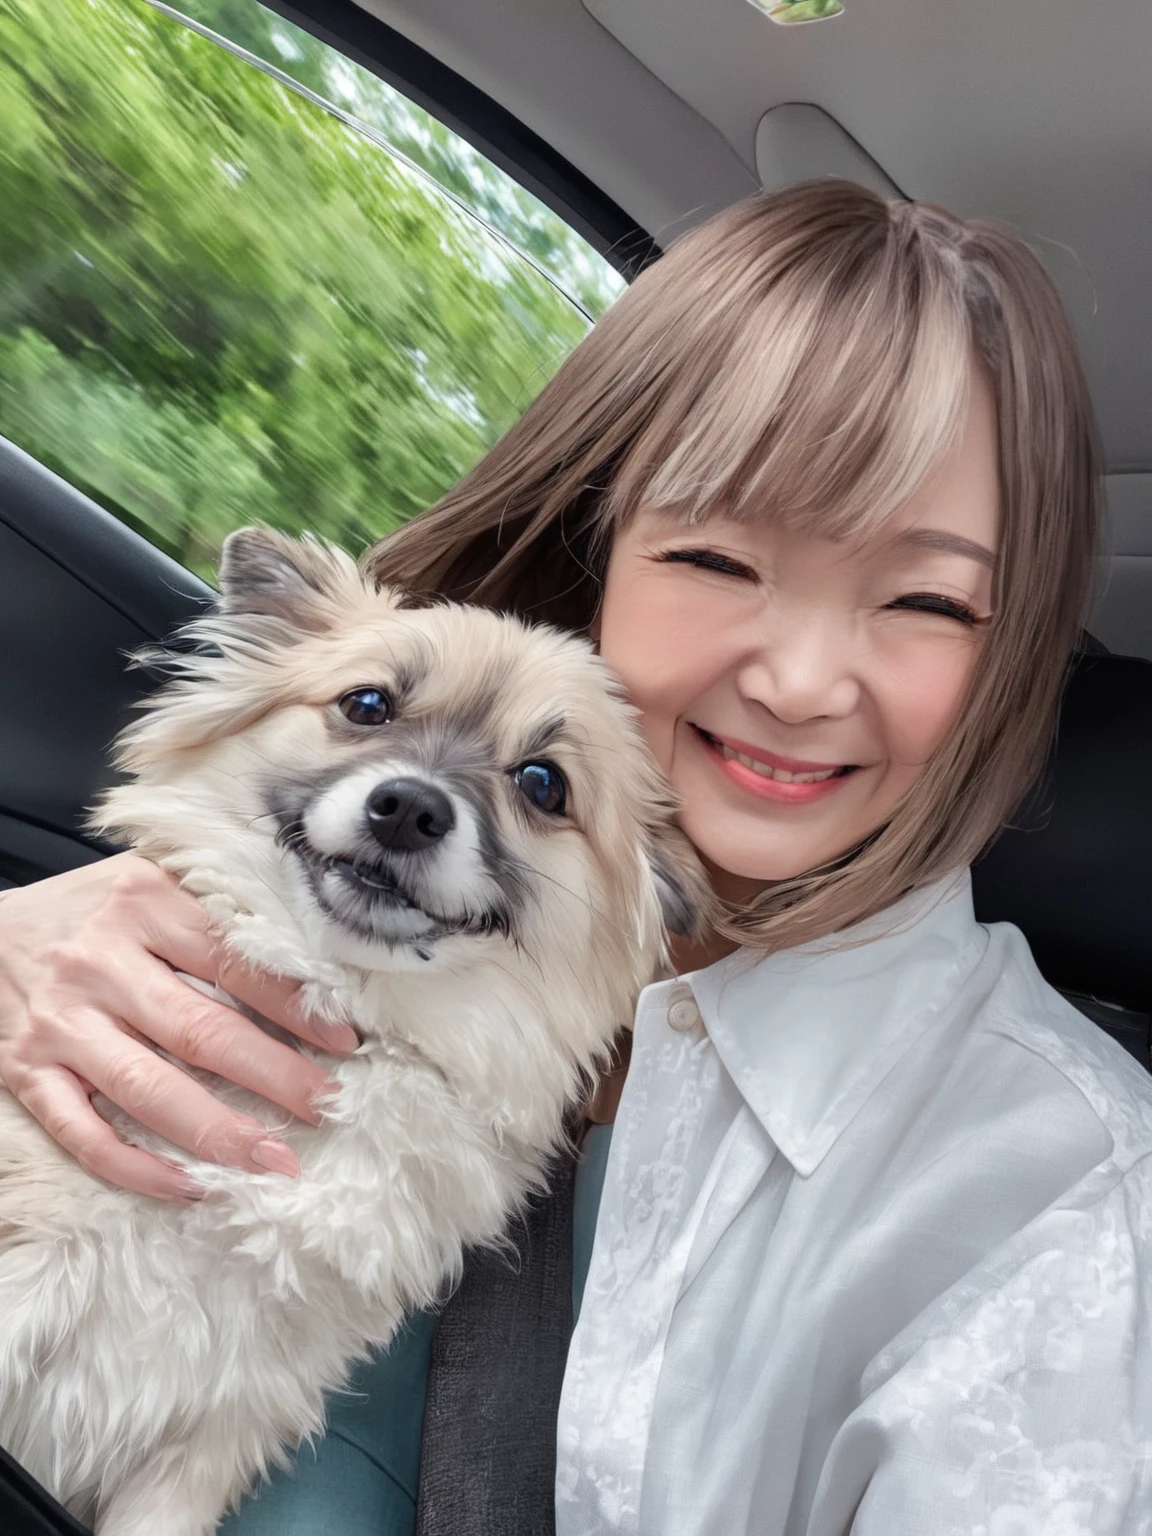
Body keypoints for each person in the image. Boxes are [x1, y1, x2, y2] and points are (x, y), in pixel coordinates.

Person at [0, 180, 1148, 1535]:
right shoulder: (203, 909)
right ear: (601, 538)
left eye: (925, 600)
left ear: (1010, 653)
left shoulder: (1062, 1209)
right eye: (722, 555)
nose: (796, 678)